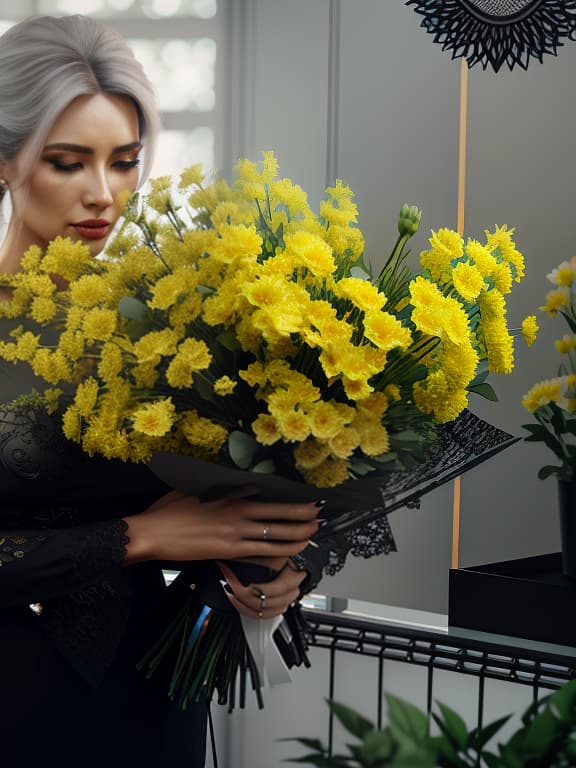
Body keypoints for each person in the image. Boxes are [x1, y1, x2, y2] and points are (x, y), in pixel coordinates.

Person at [0, 15, 323, 767]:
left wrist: (279, 567)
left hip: (153, 698)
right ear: (6, 161)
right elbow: (163, 527)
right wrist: (142, 538)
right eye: (68, 162)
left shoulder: (166, 328)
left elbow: (258, 486)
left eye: (125, 161)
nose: (103, 195)